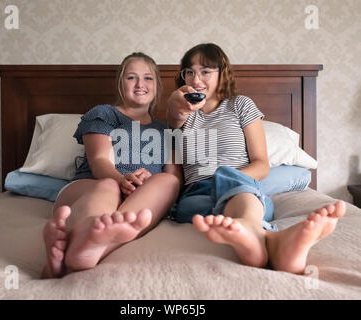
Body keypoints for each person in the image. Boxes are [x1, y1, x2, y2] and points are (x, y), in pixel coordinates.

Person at [166, 43, 346, 274]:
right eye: (189, 72)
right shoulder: (181, 114)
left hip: (244, 188)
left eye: (206, 71)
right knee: (198, 206)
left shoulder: (240, 105)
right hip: (198, 194)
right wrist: (176, 107)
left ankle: (252, 235)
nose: (196, 79)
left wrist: (229, 178)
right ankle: (274, 242)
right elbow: (174, 119)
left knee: (233, 183)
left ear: (223, 74)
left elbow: (261, 164)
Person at [42, 52, 182, 278]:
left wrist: (148, 182)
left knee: (168, 181)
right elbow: (99, 161)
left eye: (147, 78)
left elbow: (175, 178)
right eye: (131, 78)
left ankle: (81, 252)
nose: (140, 84)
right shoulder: (104, 114)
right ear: (120, 83)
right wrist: (122, 180)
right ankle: (85, 233)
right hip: (90, 187)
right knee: (108, 186)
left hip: (139, 198)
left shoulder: (166, 130)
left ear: (157, 84)